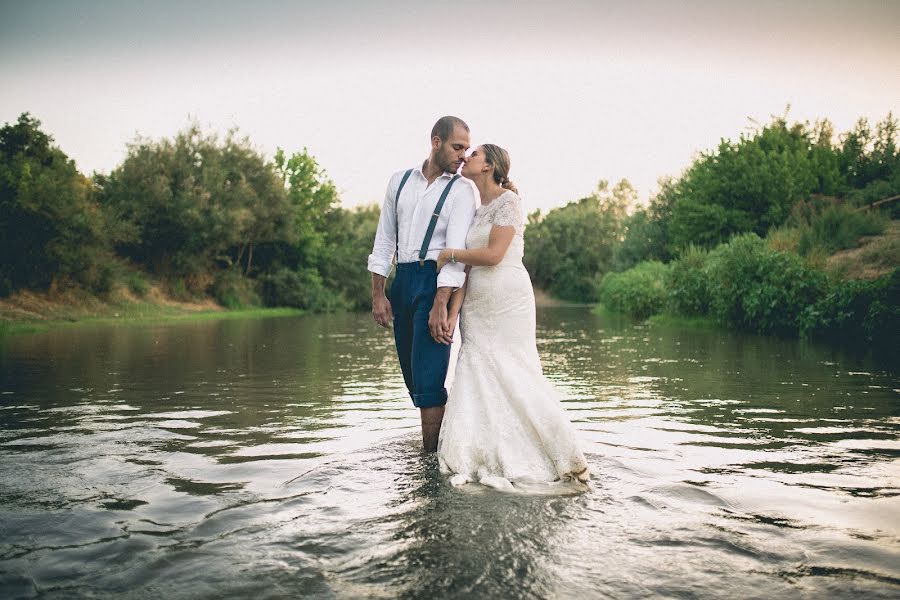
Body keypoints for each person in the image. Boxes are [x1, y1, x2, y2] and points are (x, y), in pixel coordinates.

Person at [435, 144, 590, 489]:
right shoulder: (478, 210)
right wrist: (453, 311)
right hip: (476, 301)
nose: (466, 158)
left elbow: (492, 255)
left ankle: (554, 450)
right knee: (476, 364)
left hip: (507, 298)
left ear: (488, 165)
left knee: (513, 367)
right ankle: (480, 450)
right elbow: (469, 268)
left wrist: (449, 253)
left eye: (473, 154)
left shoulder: (509, 202)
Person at [367, 116, 477, 452]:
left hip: (435, 281)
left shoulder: (461, 190)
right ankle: (442, 448)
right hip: (402, 283)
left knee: (429, 380)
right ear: (436, 142)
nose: (463, 155)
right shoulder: (399, 182)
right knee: (414, 380)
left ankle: (431, 464)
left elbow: (457, 252)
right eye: (458, 147)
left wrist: (440, 304)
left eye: (467, 149)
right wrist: (378, 293)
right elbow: (384, 240)